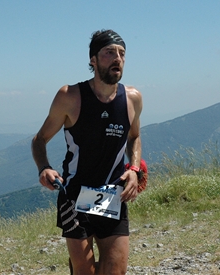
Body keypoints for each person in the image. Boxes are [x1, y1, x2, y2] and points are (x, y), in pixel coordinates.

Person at [31, 29, 143, 275]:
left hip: (113, 195)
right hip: (74, 195)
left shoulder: (132, 98)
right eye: (109, 52)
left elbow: (134, 137)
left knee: (116, 271)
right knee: (84, 272)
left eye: (122, 54)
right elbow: (39, 140)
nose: (117, 58)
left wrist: (134, 169)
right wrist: (44, 168)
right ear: (93, 59)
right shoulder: (70, 96)